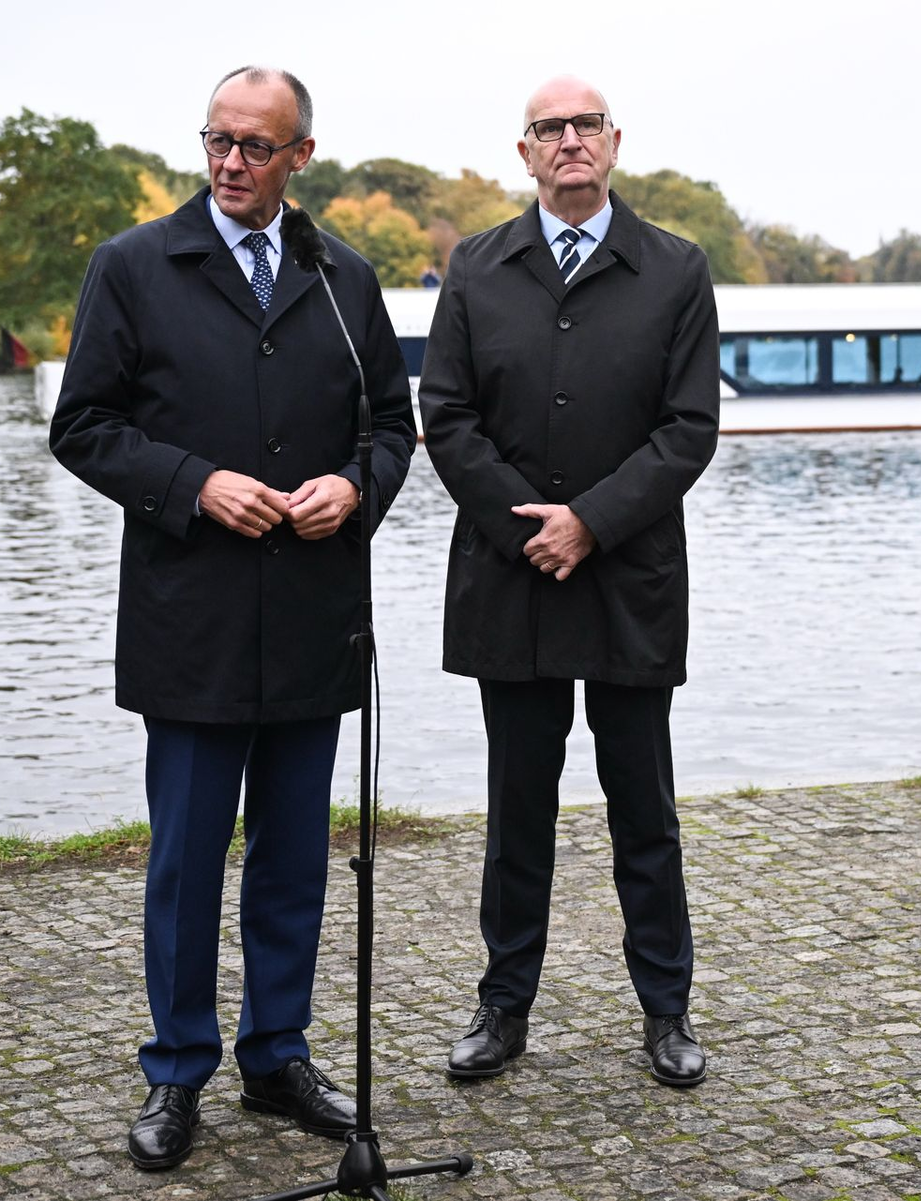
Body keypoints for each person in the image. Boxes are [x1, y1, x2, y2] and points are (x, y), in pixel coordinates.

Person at [48, 66, 416, 1170]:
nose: (231, 163)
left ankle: (276, 1056)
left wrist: (354, 487)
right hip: (191, 622)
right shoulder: (131, 266)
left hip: (312, 618)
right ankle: (176, 1069)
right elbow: (82, 426)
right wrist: (195, 483)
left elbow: (390, 429)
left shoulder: (344, 276)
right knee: (186, 864)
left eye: (257, 146)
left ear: (301, 156)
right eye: (218, 140)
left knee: (295, 860)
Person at [419, 76, 719, 1088]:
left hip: (630, 576)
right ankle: (503, 1008)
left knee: (645, 809)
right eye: (550, 128)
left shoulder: (676, 268)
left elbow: (689, 428)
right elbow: (446, 418)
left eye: (586, 123)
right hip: (513, 579)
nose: (571, 139)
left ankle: (667, 1010)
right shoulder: (477, 267)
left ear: (615, 141)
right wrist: (531, 527)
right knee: (517, 811)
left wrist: (589, 521)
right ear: (526, 153)